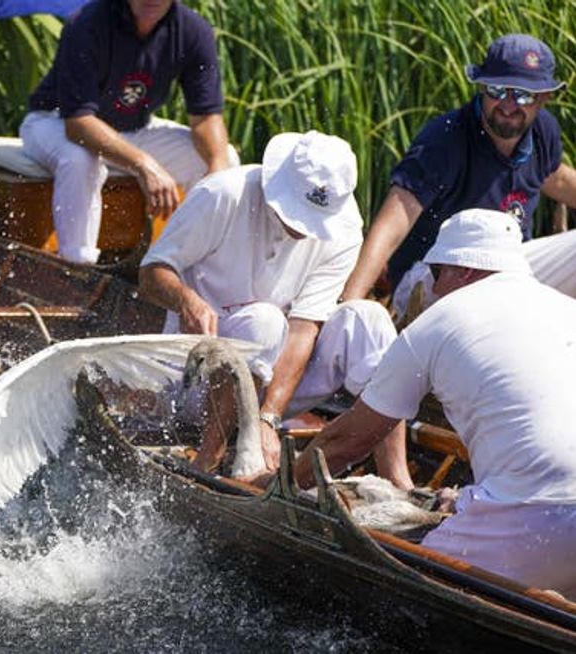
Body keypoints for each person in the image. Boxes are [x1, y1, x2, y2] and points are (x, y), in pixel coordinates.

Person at [289, 208, 576, 598]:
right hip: (549, 513)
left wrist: (280, 488)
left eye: (436, 273)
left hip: (537, 520)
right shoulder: (566, 308)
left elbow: (346, 443)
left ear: (464, 270)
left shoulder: (440, 318)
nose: (435, 289)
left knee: (391, 591)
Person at [138, 130, 413, 490]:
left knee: (369, 319)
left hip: (273, 381)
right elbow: (151, 273)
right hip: (192, 379)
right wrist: (186, 299)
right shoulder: (222, 194)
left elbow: (304, 329)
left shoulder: (345, 231)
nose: (301, 229)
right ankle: (208, 462)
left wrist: (269, 417)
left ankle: (399, 481)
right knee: (263, 321)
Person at [340, 33, 576, 317]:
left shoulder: (542, 132)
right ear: (481, 88)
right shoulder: (445, 139)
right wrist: (347, 306)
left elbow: (556, 179)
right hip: (436, 276)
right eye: (498, 90)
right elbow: (396, 219)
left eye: (524, 95)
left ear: (544, 99)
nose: (509, 105)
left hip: (510, 268)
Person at [19, 0, 239, 264]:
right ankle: (76, 266)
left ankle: (191, 263)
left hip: (134, 129)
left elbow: (205, 117)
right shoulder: (87, 23)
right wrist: (144, 165)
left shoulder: (193, 30)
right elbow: (78, 124)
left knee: (224, 159)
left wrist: (217, 172)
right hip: (53, 122)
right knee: (81, 159)